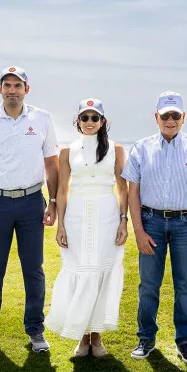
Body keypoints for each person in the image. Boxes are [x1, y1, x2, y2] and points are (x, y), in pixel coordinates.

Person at [0, 66, 60, 355]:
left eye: (18, 85)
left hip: (32, 202)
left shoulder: (42, 119)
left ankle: (35, 330)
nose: (12, 90)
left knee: (34, 270)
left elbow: (52, 163)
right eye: (7, 85)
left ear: (26, 89)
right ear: (0, 88)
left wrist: (53, 200)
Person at [121, 91, 187, 364]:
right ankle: (146, 337)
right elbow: (133, 193)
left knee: (185, 285)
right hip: (151, 223)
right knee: (148, 285)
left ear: (183, 117)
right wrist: (139, 231)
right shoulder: (141, 148)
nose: (171, 120)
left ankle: (184, 341)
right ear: (156, 117)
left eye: (176, 115)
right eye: (165, 116)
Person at [45, 98, 128, 358]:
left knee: (102, 271)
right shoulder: (68, 151)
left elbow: (122, 188)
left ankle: (97, 338)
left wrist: (123, 220)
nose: (89, 122)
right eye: (85, 117)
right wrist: (61, 224)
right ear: (78, 121)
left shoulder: (116, 149)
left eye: (94, 118)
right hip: (77, 215)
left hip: (106, 214)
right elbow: (62, 188)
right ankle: (82, 338)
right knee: (80, 271)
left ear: (102, 121)